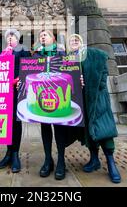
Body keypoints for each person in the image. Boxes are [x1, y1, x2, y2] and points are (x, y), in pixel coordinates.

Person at [67, 34, 122, 184]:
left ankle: (111, 163)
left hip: (97, 98)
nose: (73, 42)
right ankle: (94, 159)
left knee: (104, 129)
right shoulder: (69, 60)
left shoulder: (95, 54)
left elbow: (103, 74)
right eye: (71, 41)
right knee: (88, 132)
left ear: (82, 42)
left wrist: (91, 82)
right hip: (81, 99)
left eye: (76, 40)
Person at [31, 30, 76, 181]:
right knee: (45, 127)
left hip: (59, 96)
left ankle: (61, 161)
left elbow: (72, 71)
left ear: (53, 38)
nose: (42, 36)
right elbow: (29, 73)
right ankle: (48, 159)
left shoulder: (62, 53)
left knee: (59, 128)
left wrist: (79, 78)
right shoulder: (36, 55)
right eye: (40, 35)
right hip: (41, 97)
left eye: (46, 34)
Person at [0, 28, 31, 173]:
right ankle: (8, 153)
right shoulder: (1, 52)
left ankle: (15, 154)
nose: (10, 38)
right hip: (3, 91)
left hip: (17, 89)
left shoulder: (23, 50)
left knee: (16, 121)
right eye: (7, 37)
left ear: (17, 38)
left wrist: (20, 79)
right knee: (6, 121)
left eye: (12, 36)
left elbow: (28, 67)